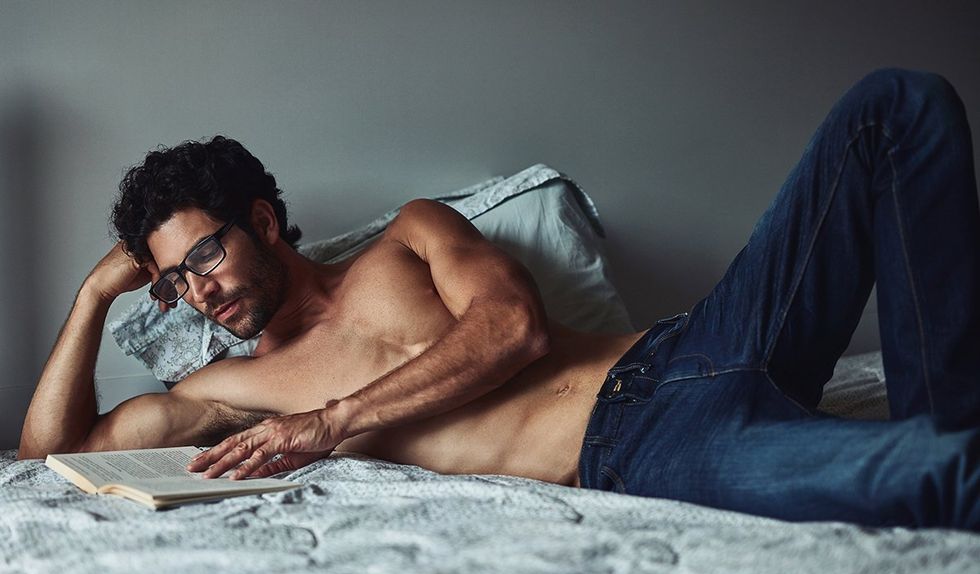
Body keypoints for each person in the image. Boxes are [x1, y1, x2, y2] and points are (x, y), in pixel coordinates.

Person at [18, 68, 980, 531]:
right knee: (936, 476)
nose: (200, 290)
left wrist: (331, 422)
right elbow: (47, 454)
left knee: (895, 111)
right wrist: (96, 293)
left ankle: (949, 398)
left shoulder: (412, 233)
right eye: (178, 279)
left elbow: (513, 329)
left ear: (264, 221)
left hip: (688, 348)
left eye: (208, 254)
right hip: (639, 451)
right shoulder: (235, 392)